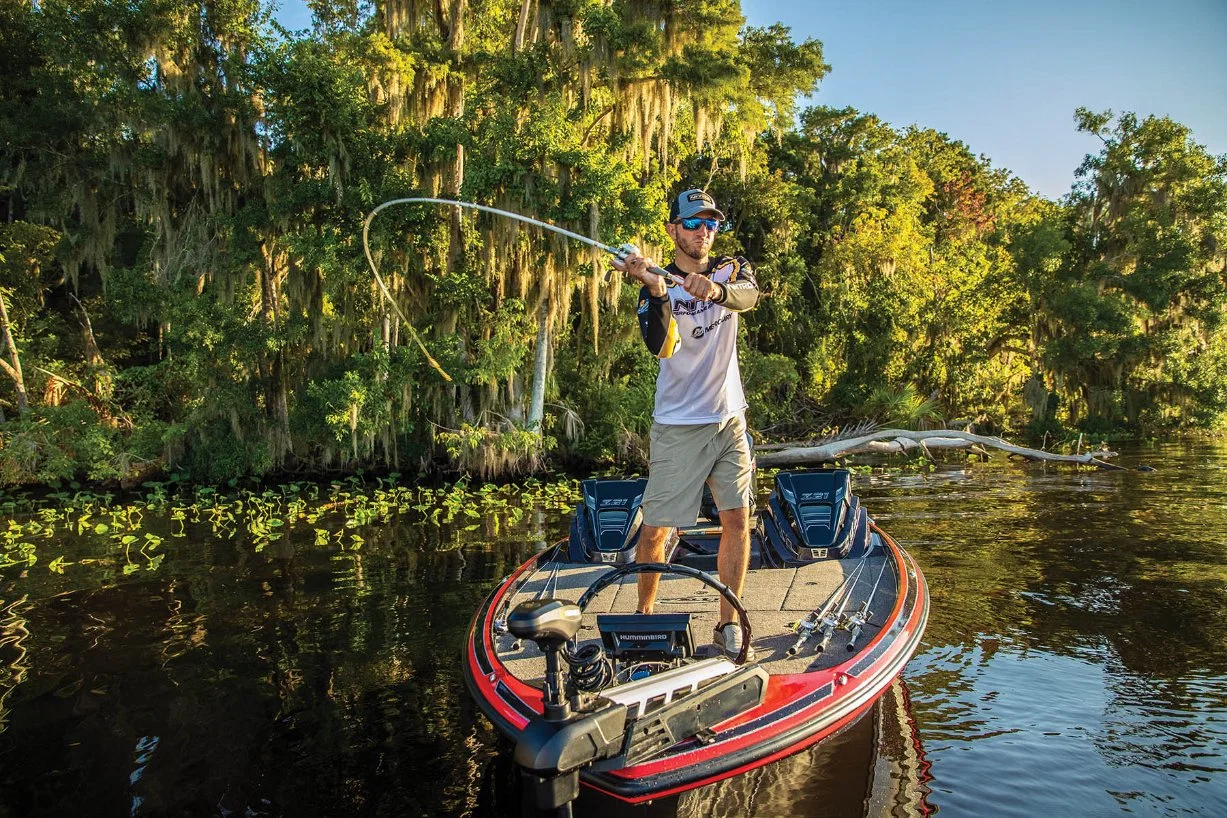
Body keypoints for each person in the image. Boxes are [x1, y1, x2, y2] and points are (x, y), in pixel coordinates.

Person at [610, 188, 760, 660]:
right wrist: (657, 290)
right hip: (678, 424)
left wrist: (714, 290)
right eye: (694, 223)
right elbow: (661, 346)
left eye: (711, 223)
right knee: (657, 527)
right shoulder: (656, 281)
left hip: (729, 419)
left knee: (738, 519)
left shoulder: (731, 269)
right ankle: (645, 615)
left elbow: (747, 297)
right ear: (673, 228)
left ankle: (727, 623)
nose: (704, 231)